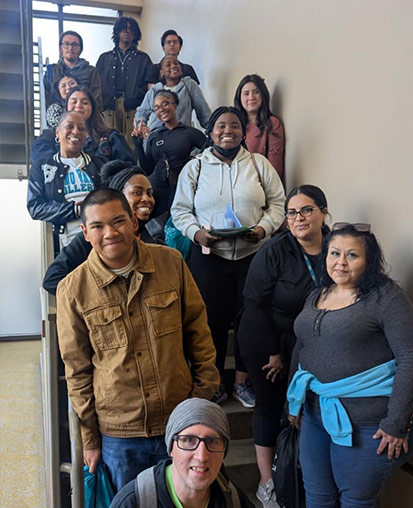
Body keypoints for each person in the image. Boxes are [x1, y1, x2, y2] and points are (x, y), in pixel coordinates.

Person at [56, 188, 219, 490]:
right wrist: (90, 440)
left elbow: (199, 333)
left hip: (179, 420)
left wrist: (200, 397)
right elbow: (76, 371)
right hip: (120, 435)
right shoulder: (72, 290)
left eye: (118, 221)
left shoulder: (170, 263)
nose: (110, 232)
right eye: (98, 226)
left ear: (133, 222)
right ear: (85, 233)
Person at [286, 223, 413, 508]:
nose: (340, 262)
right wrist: (292, 403)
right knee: (317, 499)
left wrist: (396, 424)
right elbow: (302, 346)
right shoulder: (318, 294)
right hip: (314, 416)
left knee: (356, 502)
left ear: (369, 261)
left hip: (368, 424)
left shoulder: (385, 297)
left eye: (352, 255)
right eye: (334, 253)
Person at [171, 106, 286, 407]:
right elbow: (180, 210)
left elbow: (278, 204)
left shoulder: (259, 165)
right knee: (210, 321)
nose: (228, 131)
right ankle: (214, 382)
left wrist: (263, 229)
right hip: (209, 256)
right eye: (221, 126)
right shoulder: (195, 167)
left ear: (242, 132)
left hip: (252, 256)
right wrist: (196, 233)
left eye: (235, 126)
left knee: (250, 320)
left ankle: (243, 382)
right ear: (210, 132)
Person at [238, 185, 330, 507]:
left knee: (308, 410)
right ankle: (268, 484)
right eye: (292, 212)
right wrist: (274, 352)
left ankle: (300, 474)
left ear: (323, 212)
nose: (299, 218)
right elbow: (253, 304)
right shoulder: (274, 250)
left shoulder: (336, 247)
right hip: (268, 336)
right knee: (270, 405)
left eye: (306, 210)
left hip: (313, 341)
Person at [42, 160, 165, 295]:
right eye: (137, 192)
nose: (146, 199)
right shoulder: (94, 238)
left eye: (149, 193)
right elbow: (52, 280)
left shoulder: (156, 242)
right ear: (118, 196)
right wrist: (103, 297)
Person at [109, 398, 252, 508]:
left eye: (212, 441)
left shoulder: (234, 501)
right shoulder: (133, 502)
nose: (201, 456)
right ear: (171, 447)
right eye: (189, 440)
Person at [26, 111, 106, 247]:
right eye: (69, 126)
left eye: (81, 128)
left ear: (86, 134)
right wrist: (75, 210)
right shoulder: (42, 166)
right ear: (57, 133)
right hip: (66, 243)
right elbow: (35, 207)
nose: (76, 131)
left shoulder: (100, 164)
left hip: (101, 238)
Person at [133, 89, 206, 218]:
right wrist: (138, 144)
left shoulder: (189, 132)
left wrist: (195, 162)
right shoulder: (154, 136)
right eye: (156, 107)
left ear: (175, 105)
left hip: (182, 190)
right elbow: (148, 169)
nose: (161, 109)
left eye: (165, 104)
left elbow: (209, 151)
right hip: (157, 192)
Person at [32, 86, 134, 164]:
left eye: (85, 102)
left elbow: (127, 168)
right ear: (66, 107)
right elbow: (41, 166)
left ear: (93, 108)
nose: (79, 105)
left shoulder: (111, 136)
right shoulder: (48, 138)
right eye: (74, 102)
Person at [96, 16, 155, 150]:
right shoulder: (105, 58)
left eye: (131, 29)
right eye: (123, 29)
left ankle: (131, 170)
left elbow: (149, 87)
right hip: (109, 106)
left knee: (132, 143)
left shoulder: (143, 58)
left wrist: (136, 100)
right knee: (109, 142)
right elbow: (96, 84)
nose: (127, 32)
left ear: (135, 34)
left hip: (133, 106)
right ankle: (110, 171)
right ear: (117, 32)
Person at [135, 55, 210, 134]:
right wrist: (142, 126)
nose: (173, 66)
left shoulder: (189, 85)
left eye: (176, 63)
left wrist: (212, 130)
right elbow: (141, 112)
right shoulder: (154, 90)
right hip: (157, 137)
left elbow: (203, 112)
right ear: (162, 72)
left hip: (182, 137)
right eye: (168, 65)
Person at [234, 75, 285, 183]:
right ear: (239, 98)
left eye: (256, 92)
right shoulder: (233, 126)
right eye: (246, 93)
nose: (251, 97)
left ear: (263, 95)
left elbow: (274, 172)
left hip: (259, 189)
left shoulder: (272, 124)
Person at [43, 30, 102, 111]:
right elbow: (46, 98)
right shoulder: (52, 71)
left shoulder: (91, 71)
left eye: (74, 44)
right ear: (61, 48)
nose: (70, 48)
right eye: (66, 44)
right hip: (58, 119)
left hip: (84, 117)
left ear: (80, 48)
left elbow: (96, 99)